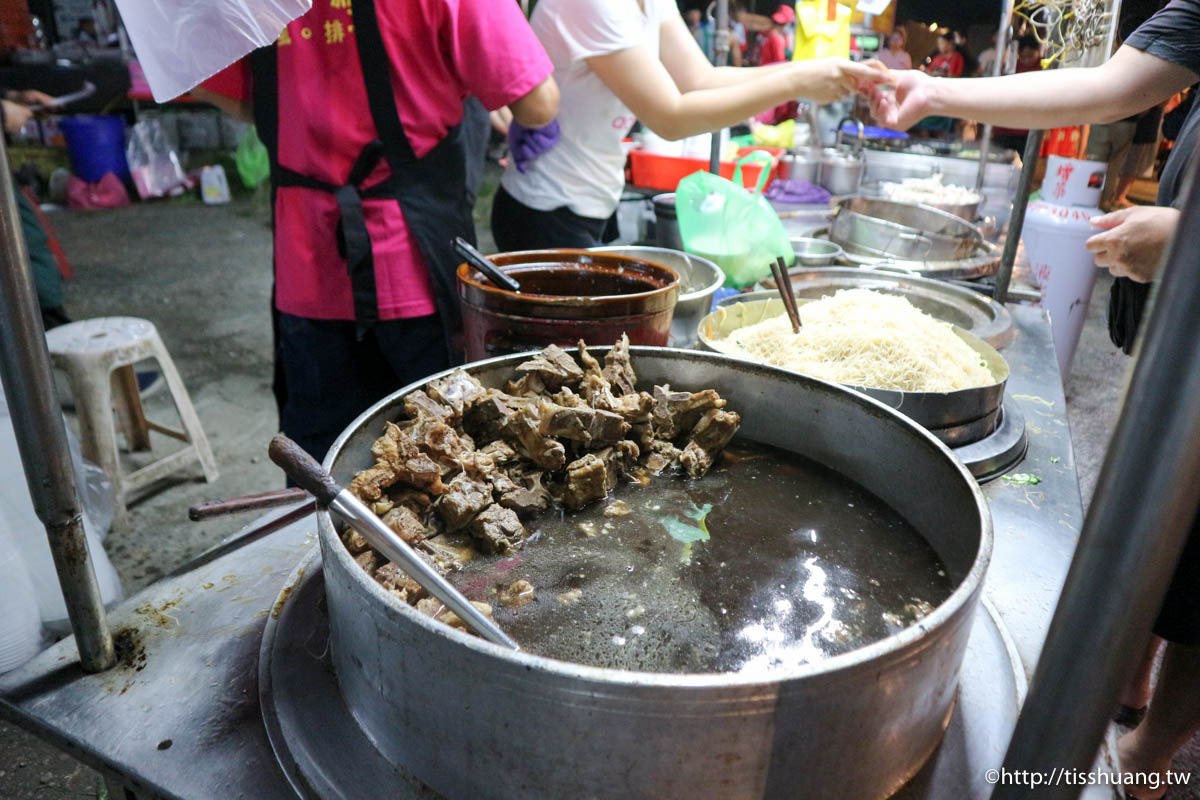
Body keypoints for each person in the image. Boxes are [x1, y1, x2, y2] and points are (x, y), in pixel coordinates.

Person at [870, 4, 1200, 797]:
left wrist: (1189, 236)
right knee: (1164, 534)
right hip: (1181, 337)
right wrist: (937, 95)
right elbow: (1105, 85)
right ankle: (1126, 679)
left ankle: (1147, 755)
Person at [195, 0, 559, 462]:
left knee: (321, 463)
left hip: (306, 263)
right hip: (414, 262)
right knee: (438, 456)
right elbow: (538, 104)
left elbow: (240, 98)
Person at [492, 0, 889, 251]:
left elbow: (701, 79)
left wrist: (815, 69)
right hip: (546, 209)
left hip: (593, 197)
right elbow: (670, 116)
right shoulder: (592, 4)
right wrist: (798, 83)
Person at [989, 35, 1043, 154]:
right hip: (1005, 128)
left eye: (1030, 56)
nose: (1027, 60)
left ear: (1038, 51)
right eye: (1023, 56)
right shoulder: (1011, 68)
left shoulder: (1044, 67)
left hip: (1029, 130)